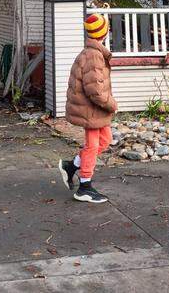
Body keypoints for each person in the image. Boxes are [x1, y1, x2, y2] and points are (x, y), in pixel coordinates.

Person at [55, 13, 118, 204]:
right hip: (90, 110)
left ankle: (72, 166)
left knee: (105, 141)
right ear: (104, 32)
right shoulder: (93, 56)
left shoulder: (93, 53)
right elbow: (96, 91)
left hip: (94, 111)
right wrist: (111, 104)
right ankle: (84, 187)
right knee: (92, 146)